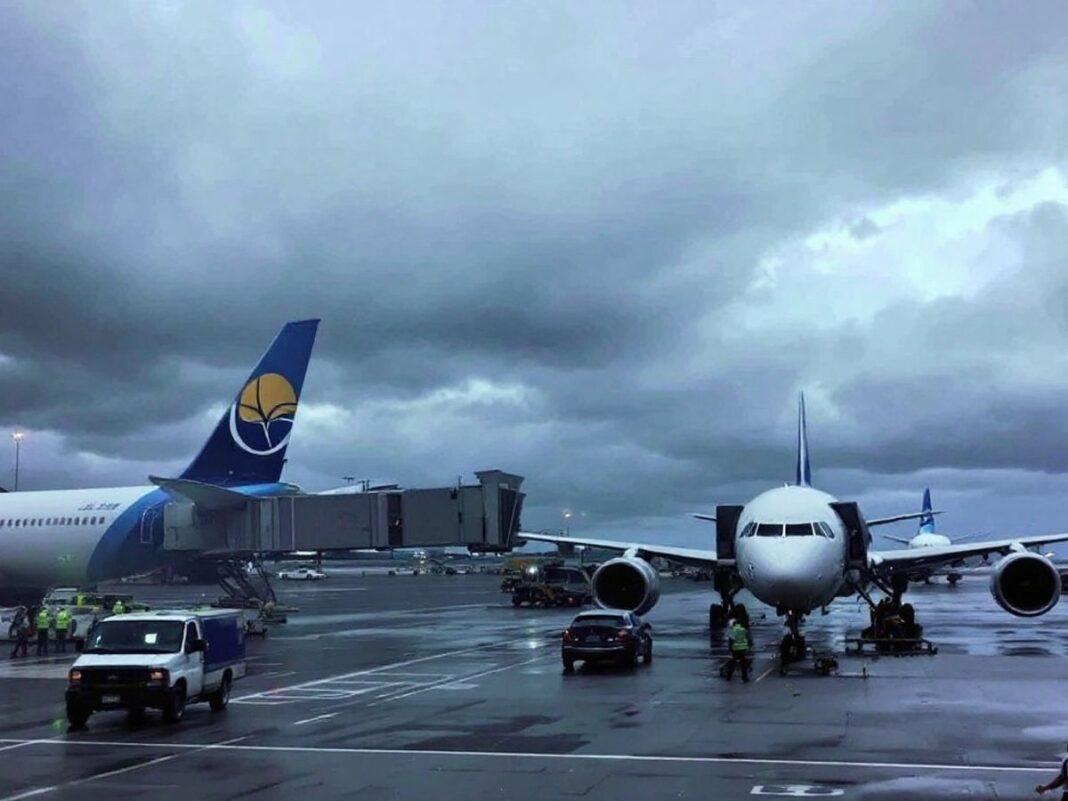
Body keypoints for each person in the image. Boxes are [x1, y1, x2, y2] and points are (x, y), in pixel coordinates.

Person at [724, 616, 752, 682]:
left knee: (733, 662)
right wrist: (748, 647)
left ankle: (729, 676)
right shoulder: (743, 630)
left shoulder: (732, 630)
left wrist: (730, 648)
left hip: (735, 649)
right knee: (743, 663)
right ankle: (744, 678)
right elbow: (748, 639)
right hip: (743, 648)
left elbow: (731, 640)